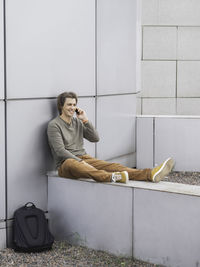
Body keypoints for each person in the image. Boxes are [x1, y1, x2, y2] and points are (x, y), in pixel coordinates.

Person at [47, 91, 174, 184]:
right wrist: (80, 162)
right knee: (73, 163)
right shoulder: (54, 125)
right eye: (69, 105)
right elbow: (60, 151)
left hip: (84, 158)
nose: (72, 108)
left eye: (74, 105)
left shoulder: (77, 122)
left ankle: (149, 174)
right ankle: (111, 177)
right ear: (61, 106)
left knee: (113, 166)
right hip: (65, 164)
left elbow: (95, 138)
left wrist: (85, 120)